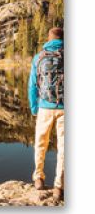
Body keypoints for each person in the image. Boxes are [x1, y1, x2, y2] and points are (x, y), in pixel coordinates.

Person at [28, 27, 64, 201]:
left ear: (49, 38)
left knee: (40, 143)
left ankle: (39, 178)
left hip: (44, 106)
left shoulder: (39, 57)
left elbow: (32, 86)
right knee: (64, 148)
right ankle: (59, 187)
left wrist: (34, 108)